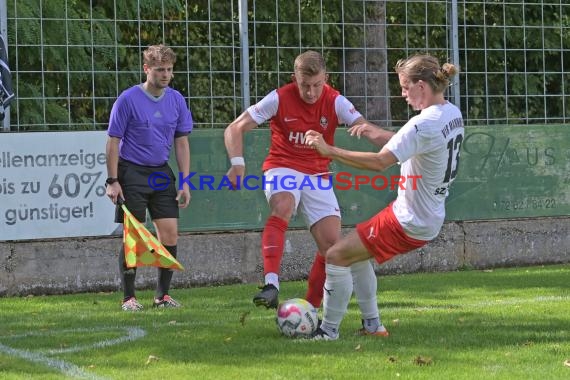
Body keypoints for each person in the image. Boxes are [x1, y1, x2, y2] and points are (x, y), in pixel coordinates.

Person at [224, 50, 389, 335]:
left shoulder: (336, 101)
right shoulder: (279, 97)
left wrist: (405, 141)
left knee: (332, 246)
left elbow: (367, 129)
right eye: (304, 85)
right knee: (284, 205)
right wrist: (237, 164)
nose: (311, 92)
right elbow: (236, 127)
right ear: (294, 79)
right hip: (282, 167)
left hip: (317, 175)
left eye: (317, 85)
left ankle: (309, 312)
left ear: (326, 78)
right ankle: (272, 283)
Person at [304, 54, 464, 340]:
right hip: (426, 215)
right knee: (355, 255)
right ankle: (373, 326)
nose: (403, 94)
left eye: (405, 87)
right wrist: (374, 132)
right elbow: (413, 142)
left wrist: (330, 151)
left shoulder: (422, 123)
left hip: (409, 219)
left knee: (336, 255)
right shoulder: (451, 113)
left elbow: (380, 162)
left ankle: (327, 332)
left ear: (422, 86)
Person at [105, 44, 193, 311]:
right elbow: (113, 142)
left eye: (169, 70)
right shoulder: (128, 99)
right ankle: (129, 298)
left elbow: (181, 142)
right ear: (147, 69)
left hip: (160, 172)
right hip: (131, 171)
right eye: (159, 70)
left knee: (170, 234)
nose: (165, 75)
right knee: (133, 235)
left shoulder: (176, 99)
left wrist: (186, 181)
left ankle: (162, 296)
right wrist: (112, 181)